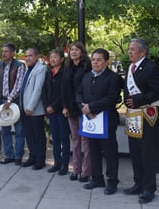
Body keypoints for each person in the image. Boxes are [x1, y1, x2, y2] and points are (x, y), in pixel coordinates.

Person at [123, 38, 159, 204]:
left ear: (143, 51)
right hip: (133, 116)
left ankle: (149, 188)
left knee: (146, 153)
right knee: (135, 152)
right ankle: (138, 183)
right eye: (129, 49)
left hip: (147, 116)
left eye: (132, 49)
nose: (129, 51)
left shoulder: (151, 67)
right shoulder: (130, 67)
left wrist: (139, 100)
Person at [76, 48, 123, 195]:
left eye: (99, 60)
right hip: (91, 122)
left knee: (110, 153)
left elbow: (112, 98)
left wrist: (91, 107)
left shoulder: (113, 78)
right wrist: (83, 108)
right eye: (93, 59)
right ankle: (97, 178)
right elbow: (78, 93)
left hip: (107, 121)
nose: (95, 62)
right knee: (93, 150)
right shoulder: (86, 76)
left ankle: (112, 181)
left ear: (106, 61)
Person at [61, 41, 91, 182]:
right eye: (71, 50)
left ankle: (86, 172)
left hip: (83, 108)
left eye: (76, 50)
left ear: (82, 52)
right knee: (75, 140)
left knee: (85, 140)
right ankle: (76, 169)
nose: (73, 52)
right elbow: (64, 89)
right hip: (71, 108)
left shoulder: (87, 67)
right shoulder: (67, 67)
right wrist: (65, 106)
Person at [0, 43, 26, 165]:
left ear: (13, 53)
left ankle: (18, 156)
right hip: (2, 101)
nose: (4, 53)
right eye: (3, 51)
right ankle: (9, 155)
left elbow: (19, 85)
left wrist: (9, 100)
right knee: (4, 130)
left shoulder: (19, 66)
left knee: (19, 130)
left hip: (15, 102)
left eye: (6, 51)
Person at [43, 49, 70, 175]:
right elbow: (44, 91)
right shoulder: (49, 72)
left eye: (55, 57)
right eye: (51, 57)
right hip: (50, 110)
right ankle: (56, 162)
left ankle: (65, 164)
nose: (52, 59)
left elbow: (63, 92)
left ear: (62, 59)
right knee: (55, 137)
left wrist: (54, 106)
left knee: (64, 137)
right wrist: (47, 106)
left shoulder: (65, 72)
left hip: (62, 110)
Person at [19, 48, 47, 170]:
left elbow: (38, 90)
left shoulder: (41, 69)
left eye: (30, 56)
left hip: (35, 109)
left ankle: (40, 160)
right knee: (29, 134)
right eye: (26, 56)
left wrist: (30, 107)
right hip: (24, 108)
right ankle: (32, 156)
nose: (27, 58)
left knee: (38, 135)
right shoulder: (28, 69)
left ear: (37, 56)